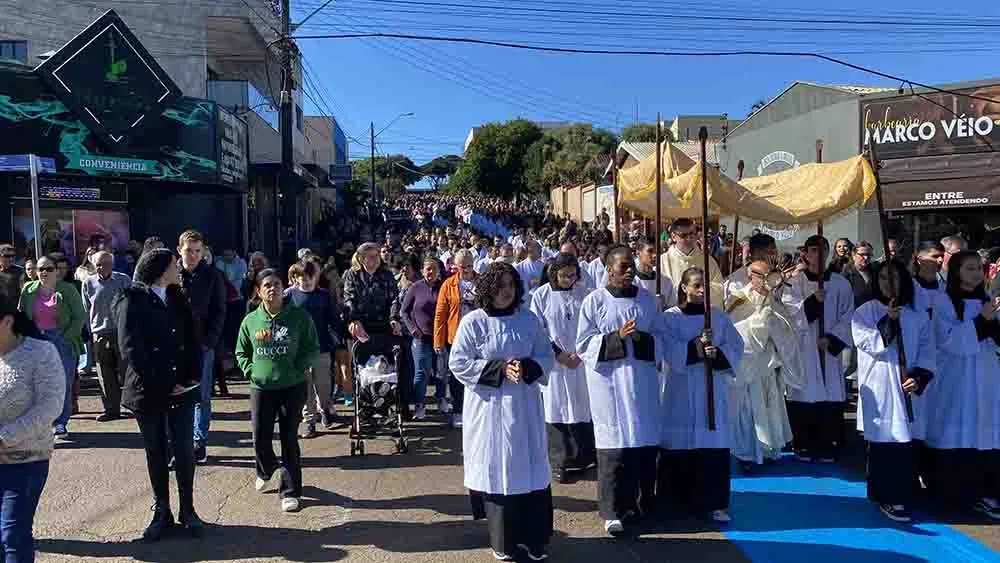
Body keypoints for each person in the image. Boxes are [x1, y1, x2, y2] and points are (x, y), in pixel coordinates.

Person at [449, 262, 555, 562]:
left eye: (510, 285)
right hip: (490, 409)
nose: (506, 291)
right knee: (499, 469)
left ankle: (535, 539)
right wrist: (497, 368)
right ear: (487, 289)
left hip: (524, 407)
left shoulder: (529, 320)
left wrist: (529, 367)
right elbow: (458, 363)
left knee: (530, 470)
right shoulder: (474, 322)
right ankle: (505, 541)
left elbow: (546, 355)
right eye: (499, 286)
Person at [116, 249, 205, 540]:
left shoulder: (179, 297)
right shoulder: (133, 299)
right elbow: (132, 350)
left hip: (181, 388)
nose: (178, 267)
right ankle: (162, 512)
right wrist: (162, 384)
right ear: (159, 269)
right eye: (172, 264)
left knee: (183, 450)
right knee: (156, 451)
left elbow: (193, 340)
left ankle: (188, 510)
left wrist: (192, 377)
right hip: (149, 390)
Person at [576, 244, 664, 537]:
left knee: (642, 446)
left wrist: (641, 339)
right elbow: (584, 344)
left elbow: (663, 338)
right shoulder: (595, 301)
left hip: (642, 384)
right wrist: (616, 338)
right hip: (610, 386)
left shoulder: (649, 301)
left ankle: (640, 504)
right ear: (608, 268)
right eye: (622, 266)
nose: (628, 271)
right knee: (614, 449)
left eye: (631, 266)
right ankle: (612, 511)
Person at [852, 259, 935, 523]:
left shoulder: (918, 315)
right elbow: (870, 344)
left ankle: (905, 492)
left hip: (906, 385)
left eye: (896, 278)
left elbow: (927, 350)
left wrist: (920, 376)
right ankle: (885, 494)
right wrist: (889, 320)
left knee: (907, 442)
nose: (890, 284)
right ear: (876, 281)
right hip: (880, 385)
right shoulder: (865, 311)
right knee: (884, 441)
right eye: (885, 278)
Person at [660, 267, 743, 523]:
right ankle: (677, 502)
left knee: (712, 445)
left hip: (711, 387)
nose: (701, 290)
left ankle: (715, 502)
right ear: (684, 287)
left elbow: (735, 346)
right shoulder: (670, 318)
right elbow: (667, 350)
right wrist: (695, 347)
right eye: (696, 285)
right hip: (681, 391)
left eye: (705, 286)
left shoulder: (717, 318)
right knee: (681, 444)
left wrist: (716, 353)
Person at [921, 250, 1000, 518]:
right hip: (956, 378)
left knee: (984, 432)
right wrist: (982, 321)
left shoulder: (986, 300)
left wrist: (991, 322)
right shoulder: (943, 302)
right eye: (969, 268)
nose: (976, 273)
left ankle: (984, 493)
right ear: (955, 272)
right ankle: (950, 495)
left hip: (986, 376)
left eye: (979, 267)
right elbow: (950, 341)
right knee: (956, 431)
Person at [237, 269, 320, 513]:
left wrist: (299, 367)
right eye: (266, 285)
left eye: (276, 284)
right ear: (258, 291)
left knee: (288, 438)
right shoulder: (251, 320)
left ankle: (290, 491)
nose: (272, 288)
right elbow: (241, 352)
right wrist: (250, 370)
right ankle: (266, 468)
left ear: (283, 288)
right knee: (259, 437)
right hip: (261, 388)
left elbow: (312, 347)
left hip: (292, 387)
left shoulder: (299, 317)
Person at [0, 287, 65, 561]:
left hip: (24, 461)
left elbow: (50, 405)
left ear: (6, 321)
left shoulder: (41, 352)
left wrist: (4, 437)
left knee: (12, 535)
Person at [725, 257, 802, 471]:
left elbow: (786, 333)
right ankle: (746, 454)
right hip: (746, 364)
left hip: (767, 364)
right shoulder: (737, 301)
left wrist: (773, 321)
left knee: (768, 407)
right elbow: (735, 332)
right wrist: (759, 323)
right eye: (762, 275)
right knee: (748, 411)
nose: (768, 280)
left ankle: (768, 450)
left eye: (770, 275)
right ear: (751, 276)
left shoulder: (774, 301)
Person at [785, 235, 855, 463]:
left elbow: (849, 315)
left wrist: (833, 338)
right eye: (813, 250)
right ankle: (803, 442)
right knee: (804, 391)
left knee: (829, 392)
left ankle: (827, 444)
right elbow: (789, 314)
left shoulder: (840, 283)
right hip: (804, 347)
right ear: (805, 253)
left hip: (828, 348)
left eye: (823, 250)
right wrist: (812, 302)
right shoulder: (794, 284)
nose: (818, 255)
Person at [530, 253, 596, 484]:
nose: (569, 279)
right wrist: (559, 355)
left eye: (573, 274)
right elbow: (538, 330)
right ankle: (560, 461)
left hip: (580, 360)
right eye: (564, 275)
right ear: (554, 274)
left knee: (582, 405)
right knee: (556, 407)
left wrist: (580, 352)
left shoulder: (585, 294)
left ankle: (584, 458)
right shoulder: (541, 296)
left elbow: (592, 324)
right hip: (556, 363)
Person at [18, 255, 85, 438]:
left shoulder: (68, 290)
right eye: (40, 269)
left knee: (62, 383)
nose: (44, 273)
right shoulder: (28, 290)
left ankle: (60, 422)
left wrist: (65, 337)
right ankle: (41, 422)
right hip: (36, 340)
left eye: (48, 269)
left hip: (61, 339)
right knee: (36, 384)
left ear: (57, 271)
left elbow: (80, 317)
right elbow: (21, 317)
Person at [177, 230, 227, 464]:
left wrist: (209, 342)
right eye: (189, 250)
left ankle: (199, 442)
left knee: (201, 395)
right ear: (180, 250)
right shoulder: (169, 274)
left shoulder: (213, 275)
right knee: (174, 394)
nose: (193, 255)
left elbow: (220, 311)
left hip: (202, 345)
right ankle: (179, 443)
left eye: (198, 251)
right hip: (174, 345)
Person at [285, 260, 340, 438]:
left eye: (310, 277)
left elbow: (333, 318)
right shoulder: (288, 296)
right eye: (303, 277)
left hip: (321, 346)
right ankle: (309, 421)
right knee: (305, 387)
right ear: (296, 278)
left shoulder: (323, 295)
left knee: (324, 385)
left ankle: (325, 407)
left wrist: (338, 335)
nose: (307, 281)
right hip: (299, 350)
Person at [81, 251, 131, 422]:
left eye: (106, 263)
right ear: (94, 266)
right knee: (105, 374)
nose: (102, 267)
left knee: (126, 371)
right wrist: (89, 331)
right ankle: (111, 410)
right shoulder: (88, 283)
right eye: (99, 264)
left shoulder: (123, 280)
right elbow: (86, 309)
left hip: (121, 332)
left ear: (112, 264)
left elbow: (131, 305)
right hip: (100, 333)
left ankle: (130, 406)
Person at [433, 249, 478, 427]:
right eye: (462, 266)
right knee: (457, 377)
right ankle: (458, 410)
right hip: (456, 338)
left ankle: (474, 411)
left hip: (479, 339)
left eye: (469, 266)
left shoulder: (482, 281)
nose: (466, 269)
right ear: (456, 266)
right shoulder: (448, 284)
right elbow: (440, 314)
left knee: (477, 376)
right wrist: (438, 340)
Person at [400, 257, 445, 420]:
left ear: (439, 271)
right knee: (422, 372)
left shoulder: (443, 287)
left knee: (442, 371)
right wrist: (413, 329)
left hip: (440, 337)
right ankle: (419, 404)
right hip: (421, 338)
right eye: (428, 268)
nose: (431, 272)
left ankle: (441, 399)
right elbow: (404, 312)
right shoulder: (415, 288)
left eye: (434, 268)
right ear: (422, 270)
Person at [660, 218, 723, 308]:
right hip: (673, 315)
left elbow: (719, 289)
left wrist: (697, 289)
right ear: (673, 237)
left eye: (692, 234)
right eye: (684, 235)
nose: (689, 238)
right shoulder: (663, 261)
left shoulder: (708, 261)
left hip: (701, 314)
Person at [842, 242, 875, 308]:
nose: (866, 258)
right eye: (862, 254)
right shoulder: (845, 276)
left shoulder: (876, 272)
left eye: (869, 255)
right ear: (853, 255)